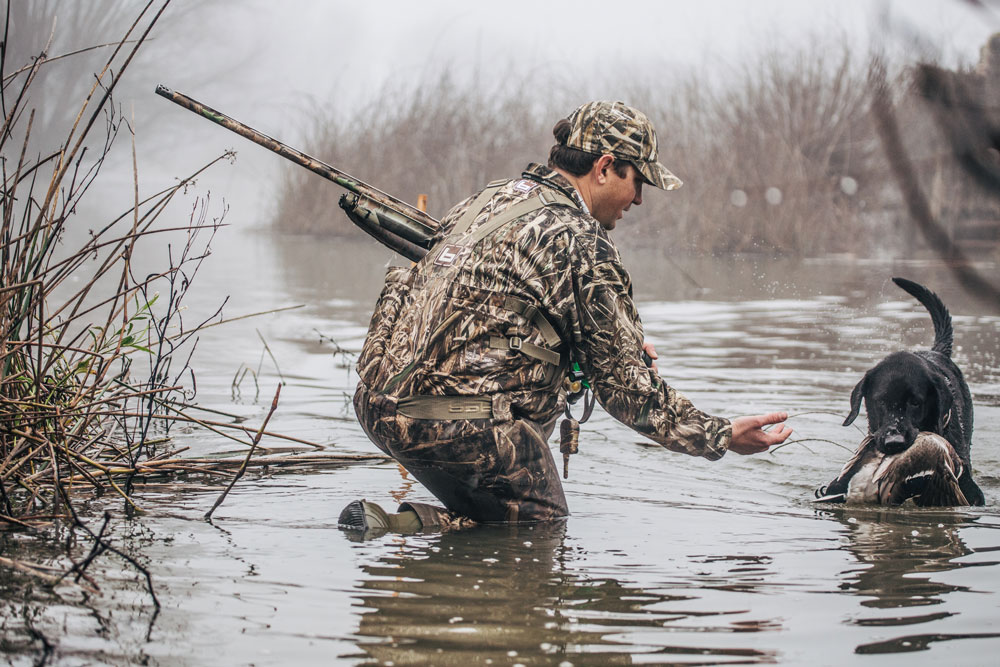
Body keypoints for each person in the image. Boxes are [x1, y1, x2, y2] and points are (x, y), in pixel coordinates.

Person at [340, 100, 791, 534]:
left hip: (378, 405)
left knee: (501, 508)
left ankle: (399, 524)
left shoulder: (488, 200)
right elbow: (629, 393)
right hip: (457, 423)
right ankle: (413, 527)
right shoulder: (582, 241)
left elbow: (496, 320)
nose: (638, 200)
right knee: (539, 530)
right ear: (604, 167)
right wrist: (721, 435)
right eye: (638, 182)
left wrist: (587, 355)